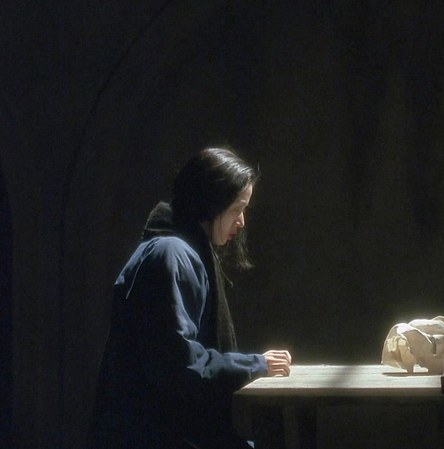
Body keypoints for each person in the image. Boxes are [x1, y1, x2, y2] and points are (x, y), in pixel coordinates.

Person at [88, 147, 292, 449]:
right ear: (212, 203)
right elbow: (179, 365)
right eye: (237, 208)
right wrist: (255, 364)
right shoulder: (172, 255)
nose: (242, 221)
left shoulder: (173, 250)